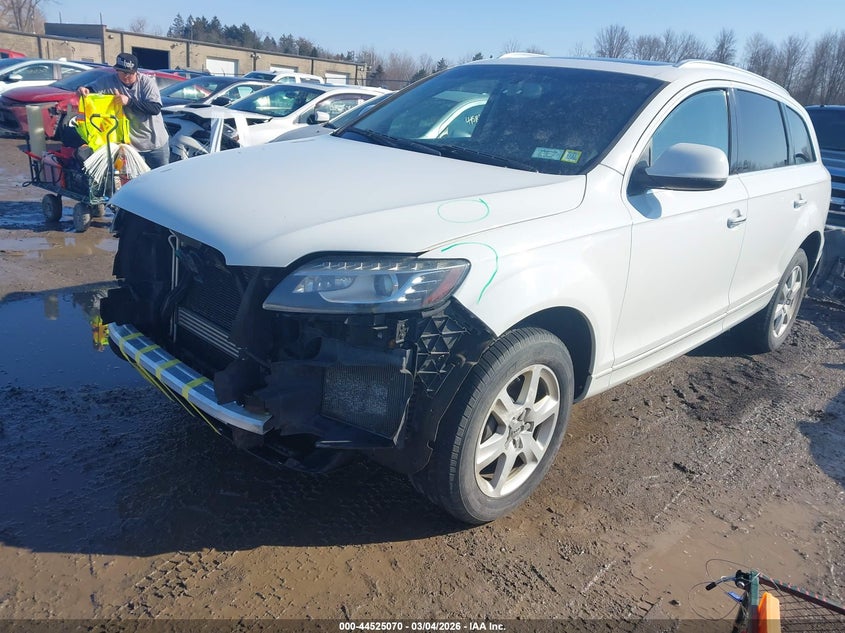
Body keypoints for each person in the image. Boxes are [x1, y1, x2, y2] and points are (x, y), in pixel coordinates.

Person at [77, 53, 169, 169]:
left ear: (136, 71)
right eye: (121, 72)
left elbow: (155, 108)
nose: (125, 76)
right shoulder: (109, 82)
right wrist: (82, 90)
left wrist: (129, 102)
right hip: (132, 146)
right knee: (137, 180)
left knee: (162, 175)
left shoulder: (146, 83)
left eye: (129, 73)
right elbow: (89, 89)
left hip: (156, 143)